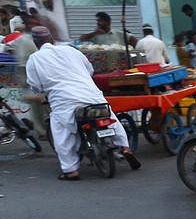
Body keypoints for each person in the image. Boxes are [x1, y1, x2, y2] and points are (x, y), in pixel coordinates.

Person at [26, 26, 139, 180]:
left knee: (61, 131)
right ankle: (125, 148)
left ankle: (71, 170)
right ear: (52, 40)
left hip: (65, 101)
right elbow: (90, 70)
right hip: (92, 95)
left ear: (35, 42)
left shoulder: (35, 59)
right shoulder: (71, 50)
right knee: (110, 117)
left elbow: (36, 86)